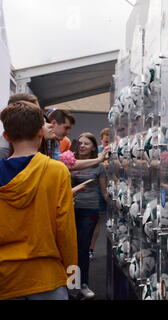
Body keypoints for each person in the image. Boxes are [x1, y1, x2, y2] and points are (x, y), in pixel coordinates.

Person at [0, 99, 77, 300]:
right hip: (47, 277)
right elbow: (66, 229)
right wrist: (72, 277)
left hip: (5, 278)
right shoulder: (57, 171)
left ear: (6, 136)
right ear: (41, 131)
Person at [71, 132, 107, 300]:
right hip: (69, 209)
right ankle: (72, 284)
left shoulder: (98, 167)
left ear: (94, 146)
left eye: (86, 143)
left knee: (83, 248)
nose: (82, 146)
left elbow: (104, 191)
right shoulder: (70, 162)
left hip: (89, 209)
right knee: (69, 247)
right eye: (80, 143)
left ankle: (83, 284)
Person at [89, 128, 110, 259]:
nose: (107, 144)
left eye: (109, 141)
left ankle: (91, 248)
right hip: (97, 189)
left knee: (100, 221)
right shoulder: (96, 151)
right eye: (105, 141)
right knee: (94, 221)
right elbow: (93, 165)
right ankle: (89, 248)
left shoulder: (118, 150)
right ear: (101, 139)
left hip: (111, 188)